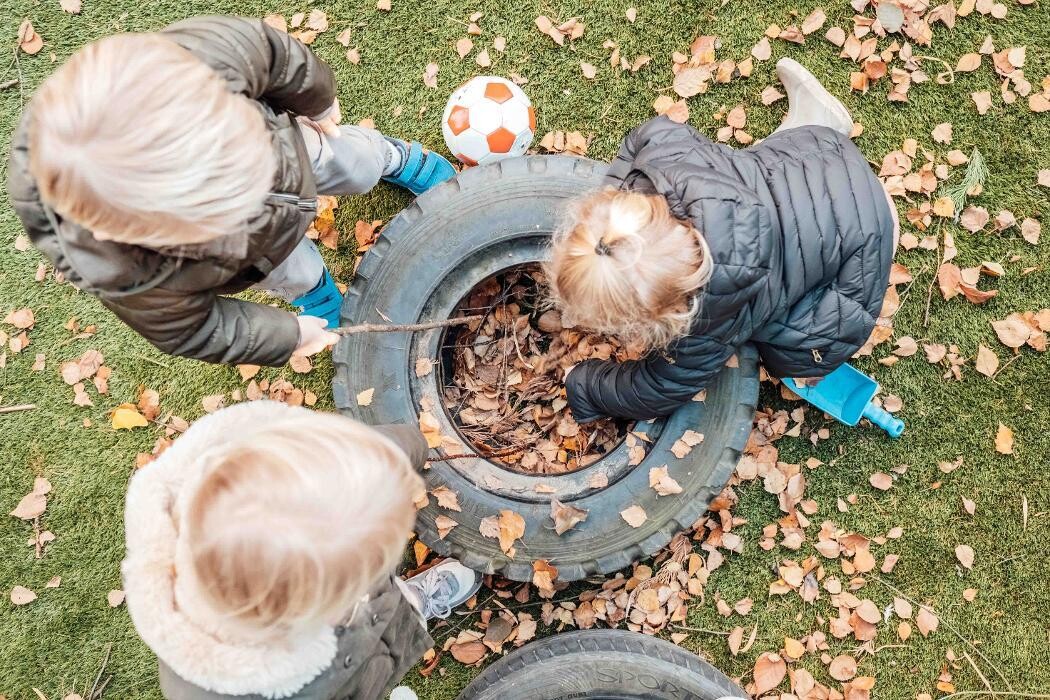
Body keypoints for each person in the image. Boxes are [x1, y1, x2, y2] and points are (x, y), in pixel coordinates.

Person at [7, 16, 456, 367]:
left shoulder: (194, 58)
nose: (251, 200)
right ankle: (313, 289)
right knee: (291, 271)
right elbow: (196, 330)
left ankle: (393, 160)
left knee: (354, 162)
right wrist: (288, 336)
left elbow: (273, 54)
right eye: (225, 208)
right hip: (251, 256)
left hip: (290, 150)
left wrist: (316, 98)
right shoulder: (128, 274)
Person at [546, 58, 899, 423]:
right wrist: (613, 191)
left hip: (869, 246)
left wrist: (584, 386)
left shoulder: (708, 322)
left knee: (790, 356)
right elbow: (639, 140)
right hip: (823, 158)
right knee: (761, 172)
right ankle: (818, 119)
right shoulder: (664, 154)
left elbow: (655, 389)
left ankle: (808, 368)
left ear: (673, 311)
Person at [122, 400, 481, 699]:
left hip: (354, 620)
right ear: (320, 609)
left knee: (391, 607)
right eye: (368, 570)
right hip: (342, 678)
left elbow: (355, 457)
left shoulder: (279, 464)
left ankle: (409, 602)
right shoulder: (219, 688)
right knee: (371, 666)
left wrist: (417, 442)